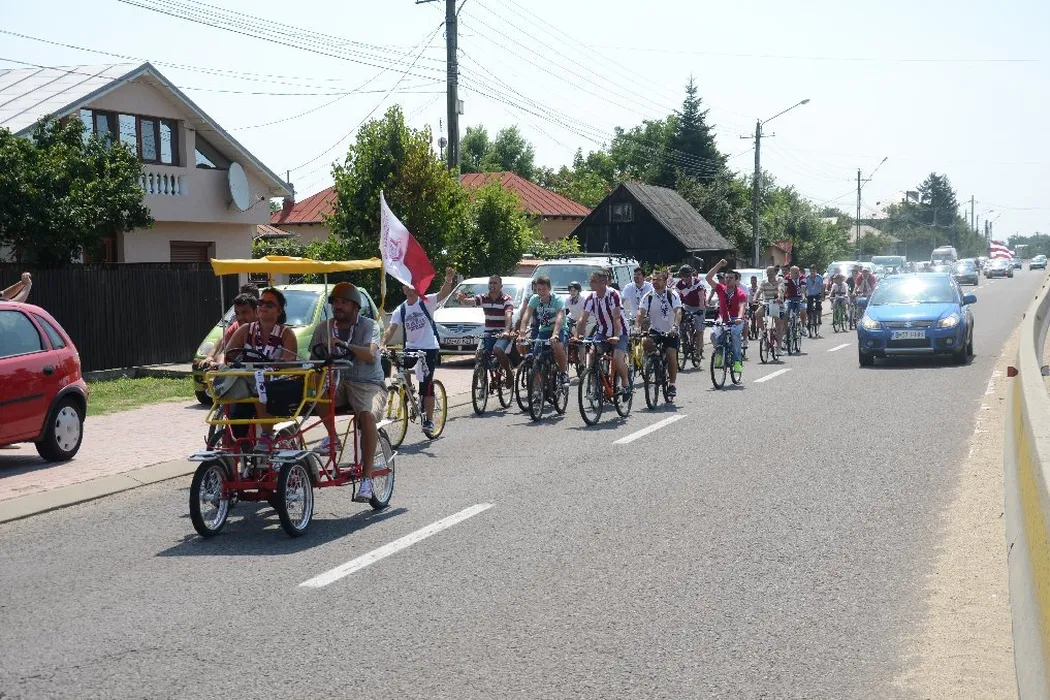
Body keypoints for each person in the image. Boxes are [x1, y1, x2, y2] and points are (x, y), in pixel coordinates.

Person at [309, 283, 387, 502]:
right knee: (315, 387)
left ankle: (367, 480)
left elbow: (370, 354)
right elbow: (313, 360)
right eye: (335, 302)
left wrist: (343, 344)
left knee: (367, 416)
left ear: (355, 306)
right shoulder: (323, 328)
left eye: (344, 302)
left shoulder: (369, 325)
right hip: (337, 380)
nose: (338, 306)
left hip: (368, 383)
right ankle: (333, 438)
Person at [381, 267, 457, 435]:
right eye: (405, 286)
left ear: (416, 287)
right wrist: (382, 344)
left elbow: (443, 294)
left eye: (411, 285)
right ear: (403, 289)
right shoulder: (401, 309)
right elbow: (391, 329)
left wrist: (448, 279)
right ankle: (410, 391)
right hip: (411, 347)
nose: (408, 289)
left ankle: (429, 420)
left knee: (426, 384)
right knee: (400, 366)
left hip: (429, 348)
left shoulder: (425, 301)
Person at [221, 287, 300, 440]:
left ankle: (266, 435)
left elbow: (288, 363)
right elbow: (229, 354)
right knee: (237, 416)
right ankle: (240, 445)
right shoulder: (245, 330)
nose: (263, 307)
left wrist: (276, 364)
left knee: (260, 388)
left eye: (269, 305)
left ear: (279, 310)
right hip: (248, 385)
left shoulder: (286, 334)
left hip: (275, 386)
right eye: (261, 303)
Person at [574, 269, 631, 401]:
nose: (590, 283)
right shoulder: (590, 297)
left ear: (603, 282)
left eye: (593, 281)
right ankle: (595, 388)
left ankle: (626, 384)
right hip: (602, 332)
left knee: (617, 359)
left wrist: (616, 336)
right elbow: (582, 319)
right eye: (590, 280)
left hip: (620, 332)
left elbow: (616, 318)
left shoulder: (613, 294)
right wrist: (577, 336)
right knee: (592, 355)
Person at [458, 275, 515, 388]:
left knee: (498, 350)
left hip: (503, 333)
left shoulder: (506, 299)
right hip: (488, 332)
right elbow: (471, 301)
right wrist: (463, 299)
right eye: (490, 283)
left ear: (501, 286)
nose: (492, 285)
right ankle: (482, 383)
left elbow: (508, 314)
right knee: (479, 354)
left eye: (495, 283)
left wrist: (506, 330)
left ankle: (509, 374)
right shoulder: (483, 297)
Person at [636, 269, 682, 400]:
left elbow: (678, 311)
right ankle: (653, 361)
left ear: (665, 281)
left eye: (658, 280)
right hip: (655, 329)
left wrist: (675, 326)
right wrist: (636, 327)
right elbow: (641, 312)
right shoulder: (649, 296)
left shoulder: (672, 294)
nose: (654, 282)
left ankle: (672, 385)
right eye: (653, 280)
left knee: (671, 355)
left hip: (670, 331)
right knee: (646, 342)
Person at [517, 275, 569, 387]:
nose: (541, 292)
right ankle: (538, 388)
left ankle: (563, 373)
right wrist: (522, 333)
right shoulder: (534, 299)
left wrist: (555, 334)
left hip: (559, 329)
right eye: (538, 289)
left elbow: (560, 317)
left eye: (543, 289)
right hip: (544, 330)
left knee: (557, 346)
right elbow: (526, 316)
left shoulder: (558, 299)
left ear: (549, 288)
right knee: (536, 357)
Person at [705, 260, 748, 374]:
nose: (728, 279)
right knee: (714, 335)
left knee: (735, 333)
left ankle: (737, 361)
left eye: (731, 278)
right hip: (723, 318)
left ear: (736, 280)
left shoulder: (740, 293)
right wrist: (719, 264)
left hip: (736, 319)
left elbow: (742, 306)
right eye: (727, 277)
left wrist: (739, 318)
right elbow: (708, 277)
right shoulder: (720, 289)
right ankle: (719, 353)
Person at [197, 292, 259, 370]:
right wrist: (218, 364)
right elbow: (223, 350)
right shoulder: (236, 327)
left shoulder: (266, 327)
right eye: (237, 313)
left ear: (256, 311)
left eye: (245, 312)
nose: (240, 317)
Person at [675, 264, 707, 358]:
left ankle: (698, 352)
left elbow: (701, 298)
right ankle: (684, 340)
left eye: (687, 276)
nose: (685, 278)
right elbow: (676, 298)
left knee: (699, 330)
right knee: (681, 323)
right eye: (682, 276)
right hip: (687, 306)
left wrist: (701, 309)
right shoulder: (679, 284)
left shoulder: (698, 283)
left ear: (690, 275)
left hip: (698, 307)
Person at [753, 266, 784, 346]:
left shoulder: (779, 280)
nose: (769, 274)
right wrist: (755, 298)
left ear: (775, 273)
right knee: (757, 313)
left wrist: (779, 297)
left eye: (770, 272)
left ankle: (779, 347)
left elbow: (780, 289)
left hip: (777, 304)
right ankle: (763, 331)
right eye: (767, 272)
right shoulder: (764, 282)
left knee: (779, 326)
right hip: (766, 303)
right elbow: (758, 291)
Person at [782, 266, 806, 346]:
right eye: (795, 273)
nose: (797, 274)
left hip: (799, 298)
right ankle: (786, 333)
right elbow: (784, 289)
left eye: (798, 272)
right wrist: (781, 298)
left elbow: (803, 289)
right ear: (790, 273)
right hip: (789, 298)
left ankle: (803, 326)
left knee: (803, 309)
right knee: (785, 313)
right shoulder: (786, 278)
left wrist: (803, 297)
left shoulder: (802, 278)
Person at [804, 266, 824, 336]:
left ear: (816, 271)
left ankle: (819, 318)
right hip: (810, 295)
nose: (812, 272)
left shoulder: (819, 277)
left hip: (817, 294)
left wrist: (822, 296)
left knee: (818, 306)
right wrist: (804, 296)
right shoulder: (807, 278)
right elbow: (804, 287)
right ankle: (809, 321)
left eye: (814, 271)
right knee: (808, 309)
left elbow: (822, 287)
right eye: (811, 271)